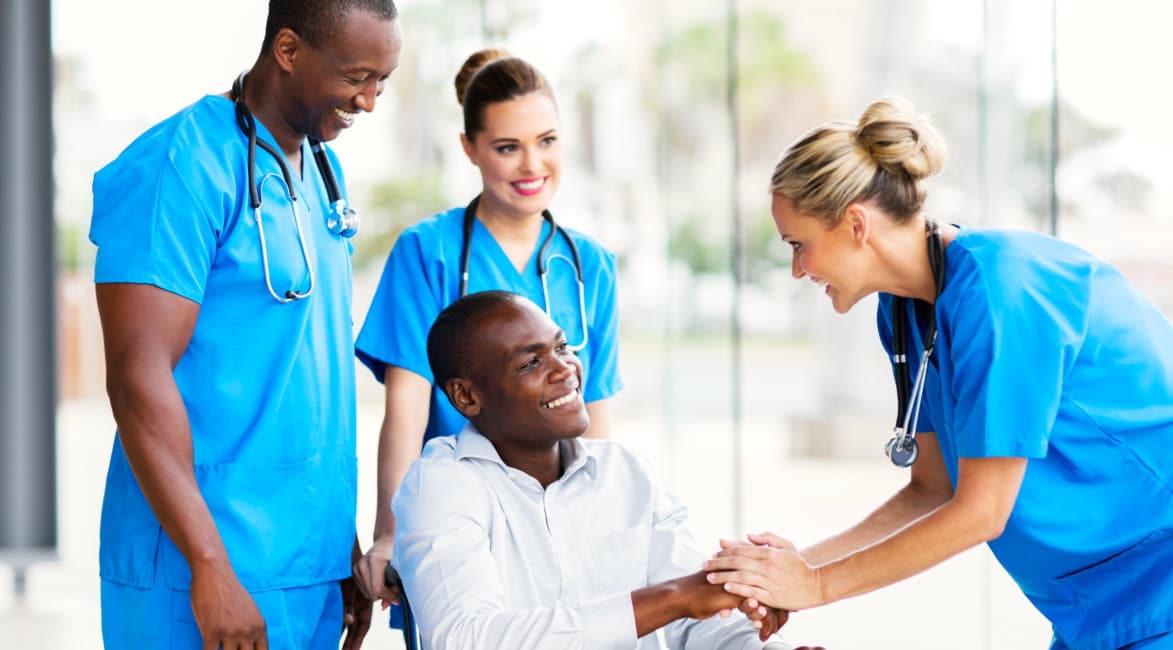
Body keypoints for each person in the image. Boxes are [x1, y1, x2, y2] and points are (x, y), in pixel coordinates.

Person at [703, 97, 1173, 649]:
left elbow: (980, 512)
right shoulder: (902, 312)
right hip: (1094, 607)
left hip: (1157, 581)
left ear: (856, 223)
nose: (796, 269)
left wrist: (816, 584)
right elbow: (932, 487)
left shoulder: (1005, 289)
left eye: (798, 245)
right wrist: (794, 568)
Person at [88, 2, 402, 648]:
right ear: (287, 51)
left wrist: (331, 542)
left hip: (303, 566)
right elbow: (136, 378)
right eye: (355, 77)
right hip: (199, 570)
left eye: (382, 81)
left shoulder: (319, 169)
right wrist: (209, 565)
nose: (368, 101)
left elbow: (297, 372)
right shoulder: (182, 163)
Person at [391, 291, 825, 649]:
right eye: (530, 363)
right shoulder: (441, 484)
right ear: (466, 397)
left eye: (561, 347)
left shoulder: (625, 473)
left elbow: (697, 621)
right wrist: (676, 596)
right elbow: (468, 640)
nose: (565, 368)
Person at [352, 49, 623, 612]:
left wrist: (602, 531)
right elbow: (407, 409)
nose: (532, 165)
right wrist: (390, 532)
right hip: (458, 522)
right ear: (469, 148)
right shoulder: (429, 253)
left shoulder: (589, 264)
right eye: (508, 147)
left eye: (547, 141)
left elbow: (595, 416)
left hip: (560, 530)